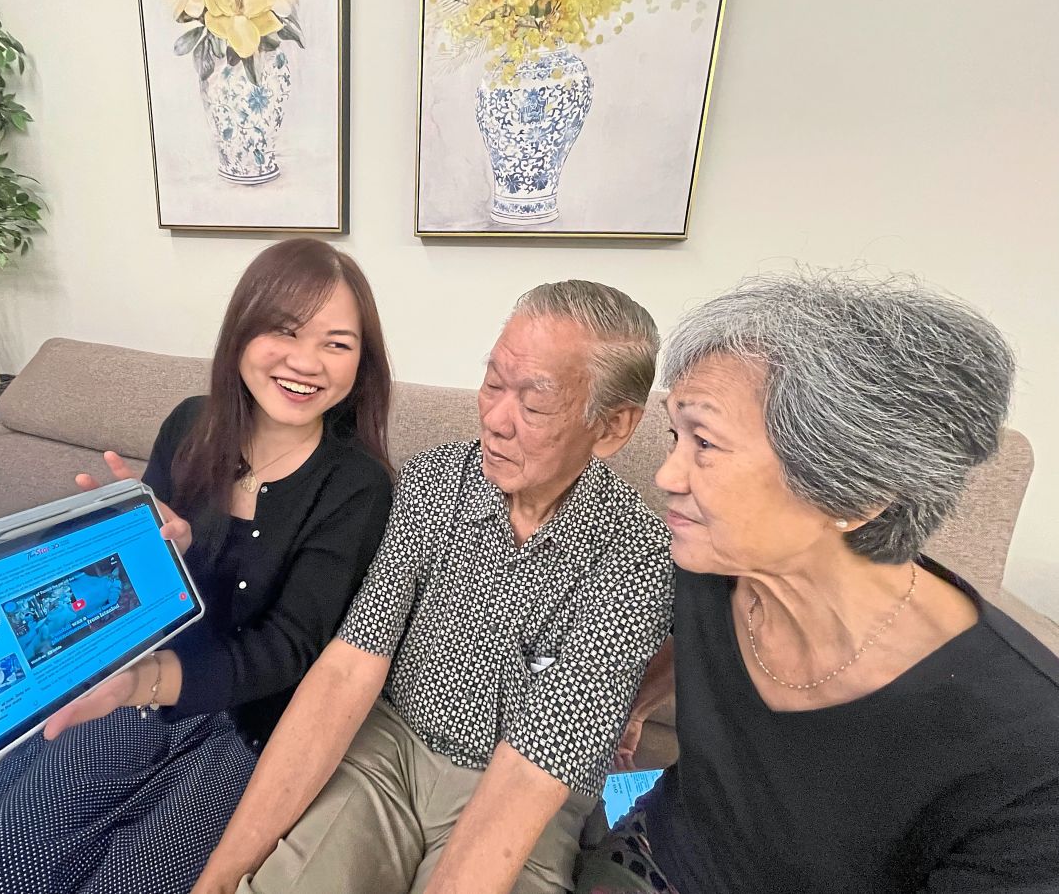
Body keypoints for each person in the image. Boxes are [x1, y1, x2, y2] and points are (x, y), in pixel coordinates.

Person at [0, 238, 396, 894]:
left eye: (336, 343)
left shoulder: (357, 484)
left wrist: (152, 680)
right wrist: (139, 551)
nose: (306, 362)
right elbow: (127, 601)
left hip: (245, 727)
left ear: (362, 361)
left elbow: (289, 649)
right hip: (137, 687)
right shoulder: (192, 424)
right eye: (284, 330)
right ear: (242, 333)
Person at [576, 273, 1059, 894]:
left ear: (855, 493)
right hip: (647, 856)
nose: (667, 475)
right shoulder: (706, 569)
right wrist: (638, 703)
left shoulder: (1027, 749)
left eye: (706, 443)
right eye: (676, 435)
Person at [193, 281, 675, 894]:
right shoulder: (433, 483)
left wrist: (639, 709)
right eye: (493, 383)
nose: (495, 421)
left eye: (533, 404)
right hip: (390, 750)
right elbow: (349, 667)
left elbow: (537, 767)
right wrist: (218, 879)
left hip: (523, 788)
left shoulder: (638, 553)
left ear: (612, 426)